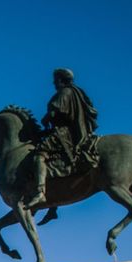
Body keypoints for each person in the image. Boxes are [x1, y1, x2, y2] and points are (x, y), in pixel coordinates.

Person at [30, 68, 99, 209]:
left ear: (61, 80)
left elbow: (58, 111)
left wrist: (46, 117)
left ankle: (40, 192)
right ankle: (52, 206)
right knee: (53, 160)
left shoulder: (65, 92)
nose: (54, 83)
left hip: (63, 133)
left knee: (39, 156)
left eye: (55, 80)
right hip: (69, 131)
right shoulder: (76, 92)